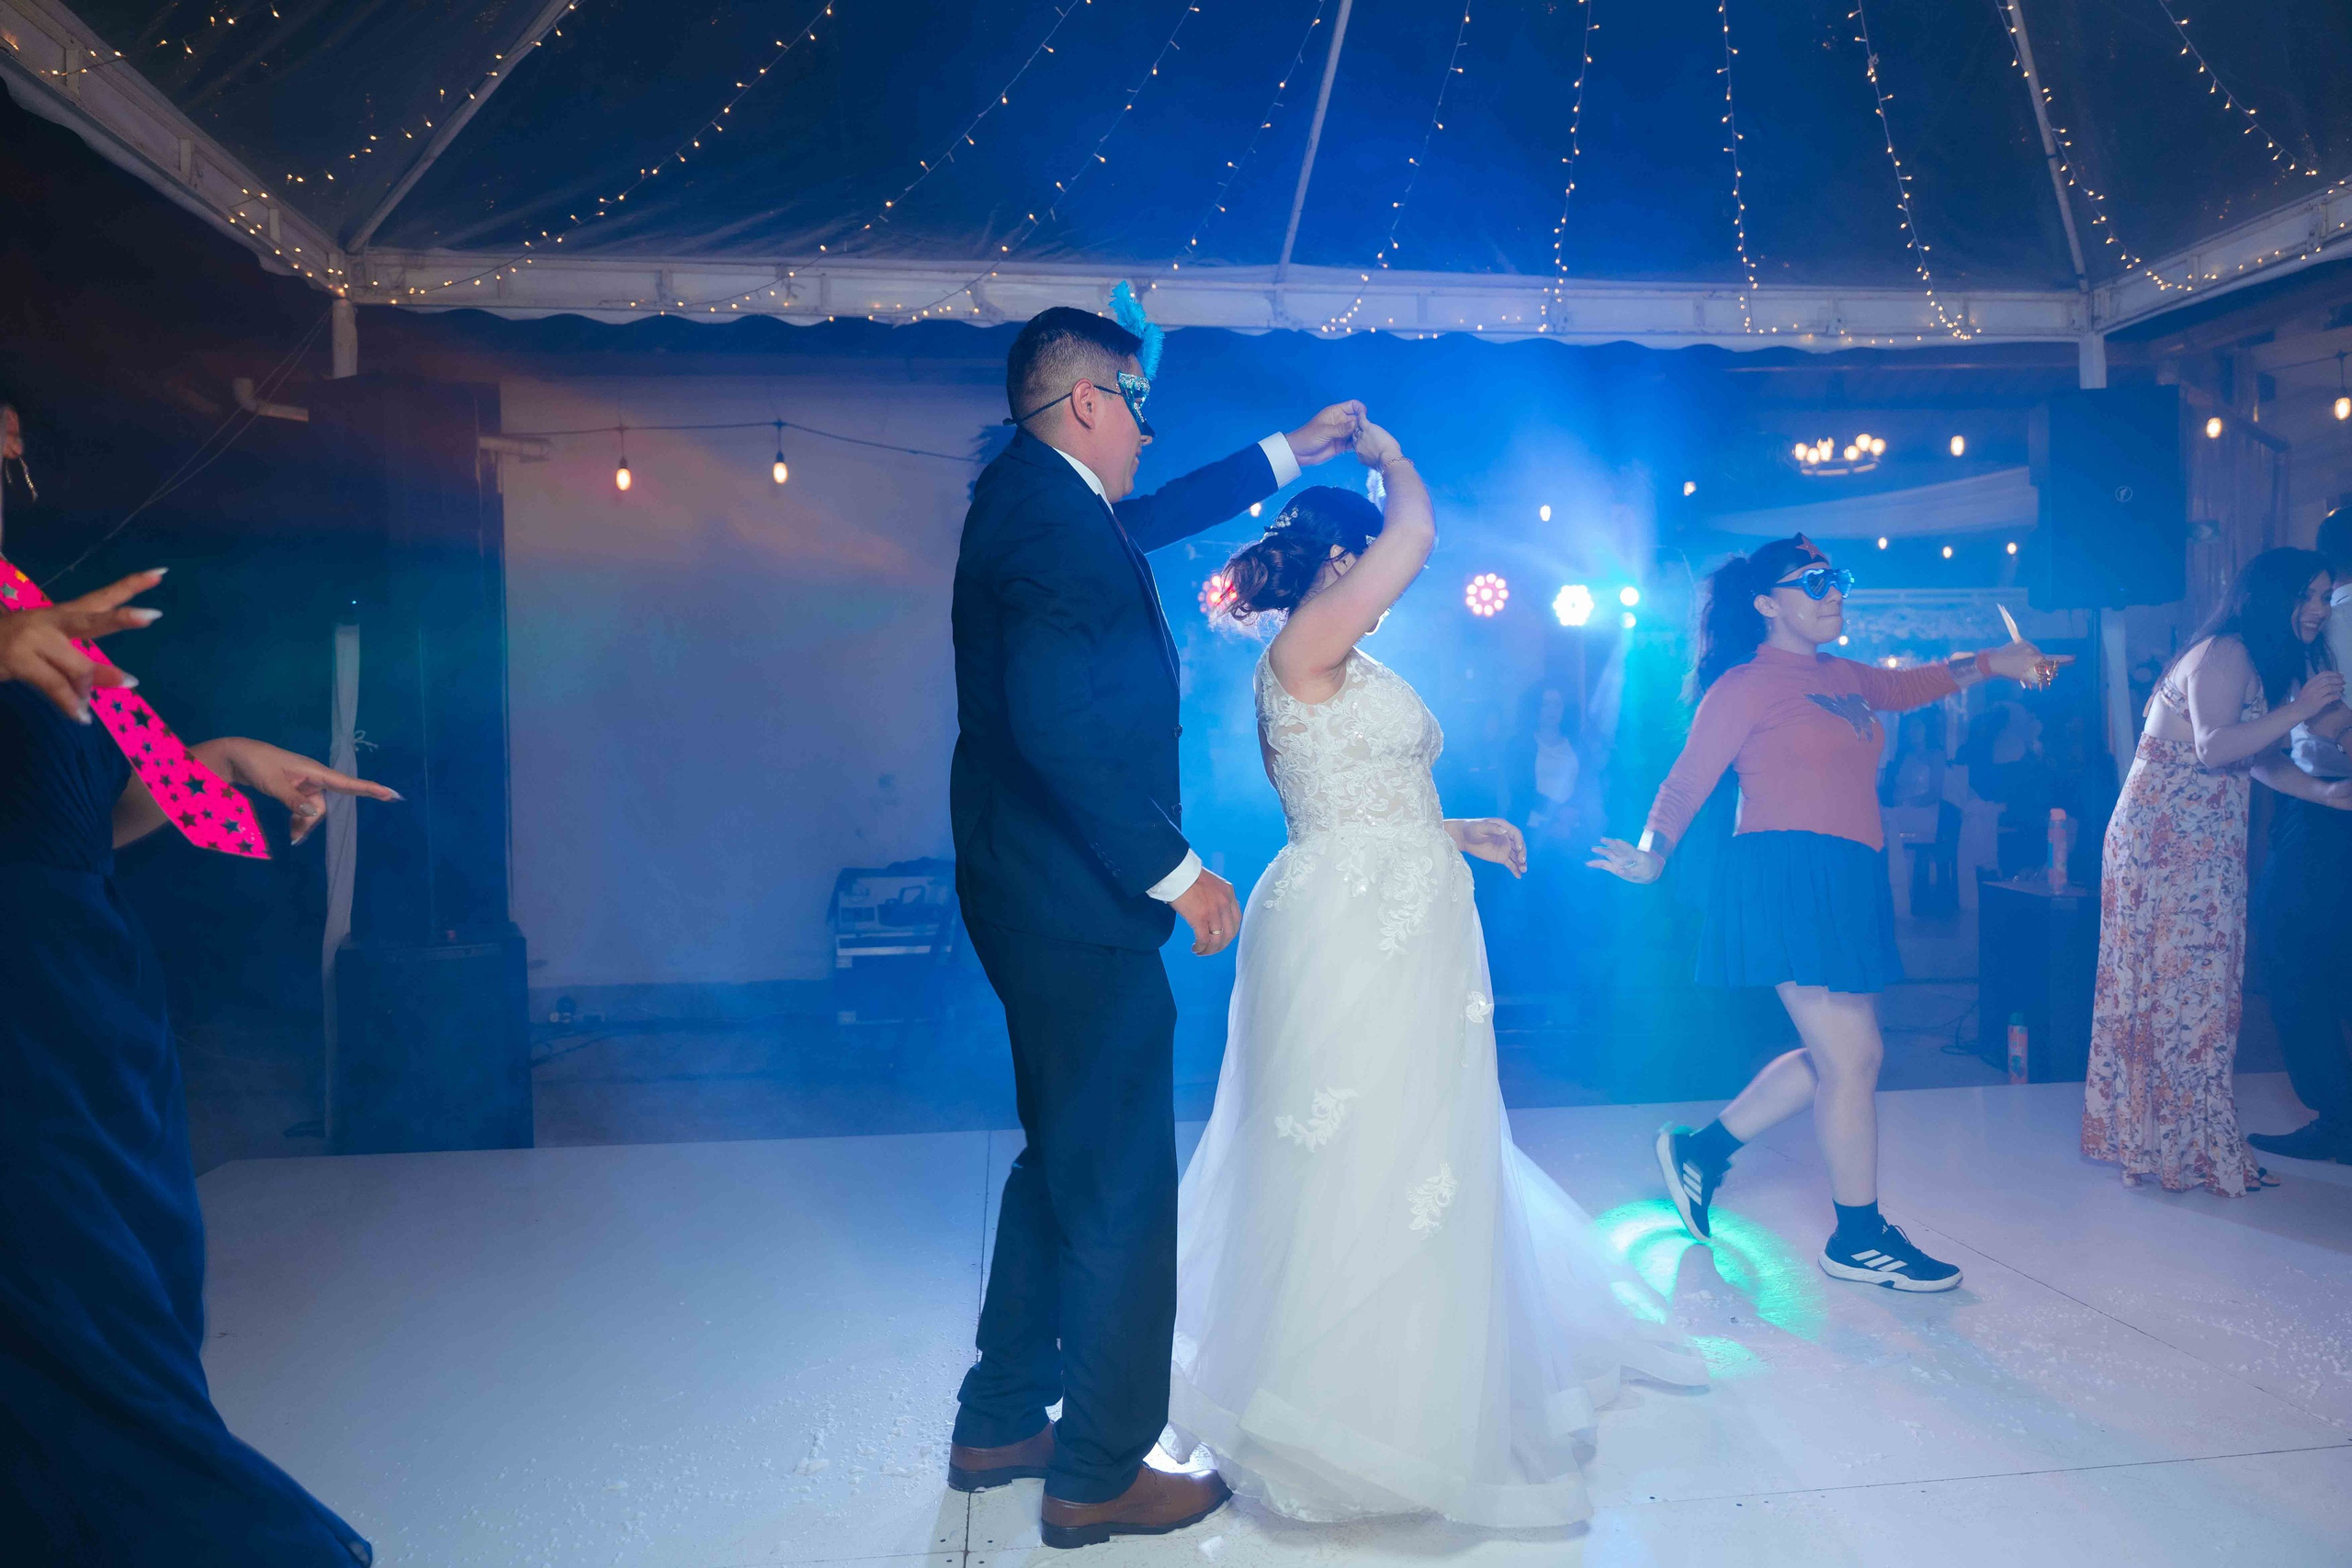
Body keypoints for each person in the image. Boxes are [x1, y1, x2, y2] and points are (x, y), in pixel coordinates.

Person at [1169, 428, 1703, 1528]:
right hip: (1351, 925)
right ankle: (1344, 1408)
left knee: (1418, 1136)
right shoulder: (1310, 638)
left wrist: (1451, 827)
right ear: (1337, 564)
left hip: (1400, 911)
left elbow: (1349, 794)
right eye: (1367, 565)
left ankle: (1424, 1372)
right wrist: (1389, 455)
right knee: (1357, 1139)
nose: (1388, 586)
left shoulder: (1340, 660)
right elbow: (1415, 530)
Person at [944, 303, 1367, 1549]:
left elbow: (1149, 519)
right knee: (1121, 1175)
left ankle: (1002, 1413)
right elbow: (1055, 723)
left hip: (1031, 886)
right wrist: (1179, 873)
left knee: (1061, 1151)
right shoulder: (1040, 517)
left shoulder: (1041, 500)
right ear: (1088, 401)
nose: (1145, 426)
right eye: (1138, 404)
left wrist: (1285, 452)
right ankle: (1099, 1469)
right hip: (1072, 894)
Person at [1, 547, 394, 1560]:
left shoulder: (31, 603)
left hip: (92, 995)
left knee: (147, 1289)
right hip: (20, 1016)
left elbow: (77, 827)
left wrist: (215, 762)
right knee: (70, 1312)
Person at [1591, 534, 2060, 1292]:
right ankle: (1857, 1236)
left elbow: (1912, 687)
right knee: (1854, 1057)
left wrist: (1992, 662)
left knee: (1840, 1055)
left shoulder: (1843, 675)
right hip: (1785, 871)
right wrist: (1653, 852)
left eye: (1836, 577)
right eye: (1814, 581)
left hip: (1845, 874)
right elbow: (1685, 782)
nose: (1833, 591)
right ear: (1768, 603)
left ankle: (1701, 1155)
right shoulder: (1743, 684)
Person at [2085, 547, 2352, 1194]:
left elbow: (2252, 756)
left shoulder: (2255, 659)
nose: (2319, 609)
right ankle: (2177, 1145)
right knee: (2182, 991)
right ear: (2272, 598)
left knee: (2203, 992)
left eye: (2324, 596)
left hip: (2203, 845)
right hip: (2165, 844)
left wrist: (2320, 792)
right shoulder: (2227, 650)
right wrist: (2301, 707)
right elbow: (2214, 746)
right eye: (2308, 597)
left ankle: (2186, 1141)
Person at [2245, 512, 2352, 1164]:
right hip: (2321, 800)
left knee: (2290, 951)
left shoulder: (2335, 618)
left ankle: (2337, 1116)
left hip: (2327, 811)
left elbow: (2335, 719)